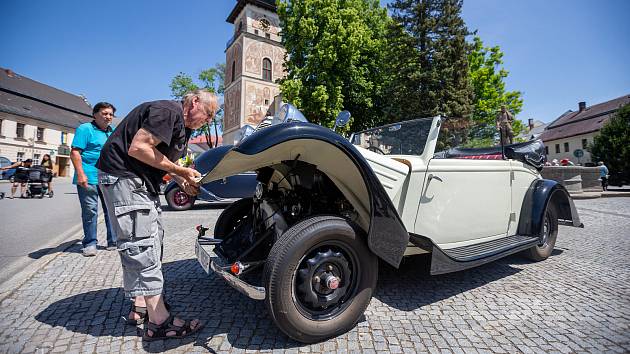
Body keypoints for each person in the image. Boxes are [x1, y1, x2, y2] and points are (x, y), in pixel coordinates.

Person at [97, 89, 219, 341]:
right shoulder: (167, 112)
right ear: (194, 102)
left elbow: (158, 159)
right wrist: (180, 170)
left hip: (136, 181)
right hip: (126, 178)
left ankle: (141, 303)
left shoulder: (181, 126)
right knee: (142, 245)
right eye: (208, 114)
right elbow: (139, 148)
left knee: (145, 241)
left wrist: (181, 178)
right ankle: (159, 322)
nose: (207, 121)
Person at [70, 102, 117, 257]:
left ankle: (113, 241)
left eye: (110, 114)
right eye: (104, 113)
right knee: (90, 211)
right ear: (95, 114)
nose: (108, 117)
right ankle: (90, 243)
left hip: (108, 176)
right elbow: (75, 152)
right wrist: (80, 174)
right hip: (88, 176)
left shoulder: (113, 132)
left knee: (112, 210)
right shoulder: (85, 129)